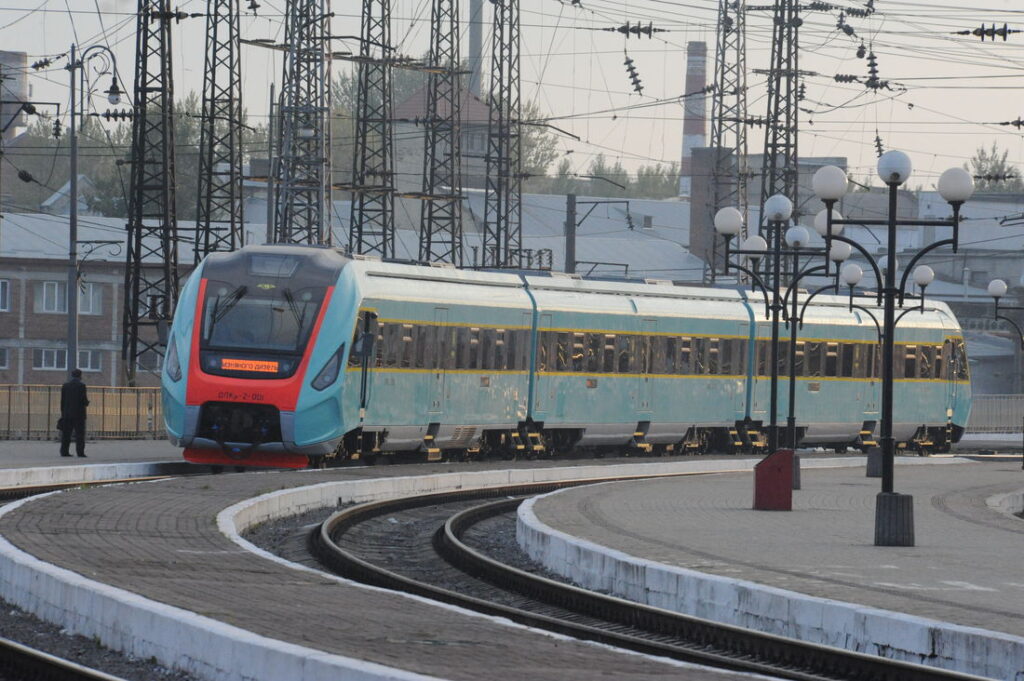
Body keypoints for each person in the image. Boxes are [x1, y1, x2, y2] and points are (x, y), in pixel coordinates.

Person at [59, 368, 90, 458]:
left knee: (66, 434)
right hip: (79, 414)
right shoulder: (81, 386)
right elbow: (83, 400)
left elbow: (62, 401)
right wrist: (87, 403)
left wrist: (63, 413)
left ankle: (64, 451)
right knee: (79, 434)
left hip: (67, 414)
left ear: (72, 375)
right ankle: (80, 452)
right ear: (80, 376)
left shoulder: (65, 386)